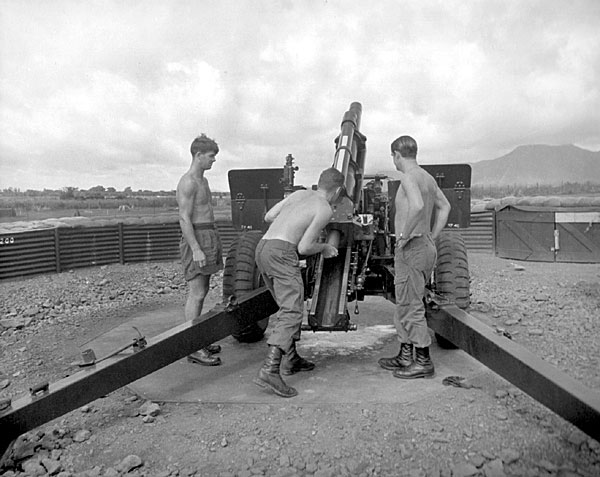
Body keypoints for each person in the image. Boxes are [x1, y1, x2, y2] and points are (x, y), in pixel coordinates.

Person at [253, 167, 345, 397]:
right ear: (338, 190)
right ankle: (270, 370)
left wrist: (292, 223)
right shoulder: (324, 208)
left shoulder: (299, 193)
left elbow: (269, 216)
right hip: (282, 253)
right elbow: (304, 248)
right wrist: (324, 247)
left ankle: (291, 359)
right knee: (292, 311)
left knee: (285, 307)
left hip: (263, 248)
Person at [378, 135, 451, 379]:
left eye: (393, 157)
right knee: (406, 301)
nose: (394, 162)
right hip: (424, 244)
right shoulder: (427, 178)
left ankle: (422, 361)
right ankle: (405, 355)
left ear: (397, 155)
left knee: (411, 305)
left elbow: (418, 206)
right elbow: (445, 207)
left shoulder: (408, 177)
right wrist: (431, 234)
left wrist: (405, 236)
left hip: (412, 248)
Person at [176, 134, 224, 366]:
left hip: (209, 234)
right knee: (196, 293)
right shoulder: (188, 182)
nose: (213, 161)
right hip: (196, 236)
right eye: (211, 156)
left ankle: (198, 341)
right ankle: (192, 347)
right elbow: (184, 218)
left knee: (203, 291)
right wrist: (196, 248)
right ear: (198, 155)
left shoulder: (203, 181)